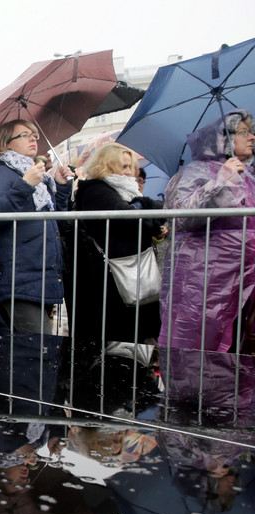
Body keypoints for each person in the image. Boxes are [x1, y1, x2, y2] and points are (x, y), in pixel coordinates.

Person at [159, 109, 255, 353]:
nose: (252, 137)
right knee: (202, 340)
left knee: (240, 340)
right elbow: (183, 216)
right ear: (223, 138)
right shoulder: (195, 172)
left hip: (246, 273)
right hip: (206, 277)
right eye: (243, 132)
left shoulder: (249, 177)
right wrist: (221, 181)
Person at [0, 119, 73, 334]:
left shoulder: (38, 176)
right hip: (17, 277)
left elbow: (53, 220)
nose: (33, 138)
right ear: (6, 143)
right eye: (24, 135)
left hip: (39, 274)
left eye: (34, 134)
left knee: (31, 353)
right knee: (36, 351)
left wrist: (61, 186)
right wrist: (25, 185)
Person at [73, 143, 167, 344]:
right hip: (111, 276)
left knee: (138, 337)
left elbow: (142, 213)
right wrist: (151, 217)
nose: (128, 172)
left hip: (129, 270)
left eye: (130, 167)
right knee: (122, 340)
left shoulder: (126, 191)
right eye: (123, 167)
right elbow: (128, 218)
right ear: (106, 166)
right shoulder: (96, 189)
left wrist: (150, 216)